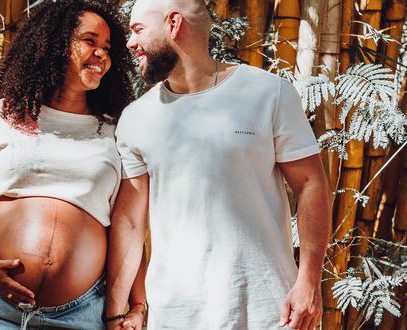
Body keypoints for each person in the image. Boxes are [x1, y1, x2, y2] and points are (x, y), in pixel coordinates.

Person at [104, 0, 332, 329]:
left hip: (270, 311)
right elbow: (129, 223)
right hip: (177, 314)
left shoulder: (268, 93)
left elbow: (311, 184)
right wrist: (116, 311)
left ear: (173, 24)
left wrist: (309, 280)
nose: (129, 42)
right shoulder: (136, 119)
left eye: (138, 29)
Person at [0, 1, 136, 329]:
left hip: (77, 315)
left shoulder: (116, 132)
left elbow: (128, 228)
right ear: (54, 44)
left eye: (107, 47)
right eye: (90, 41)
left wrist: (135, 305)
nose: (102, 54)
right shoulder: (4, 115)